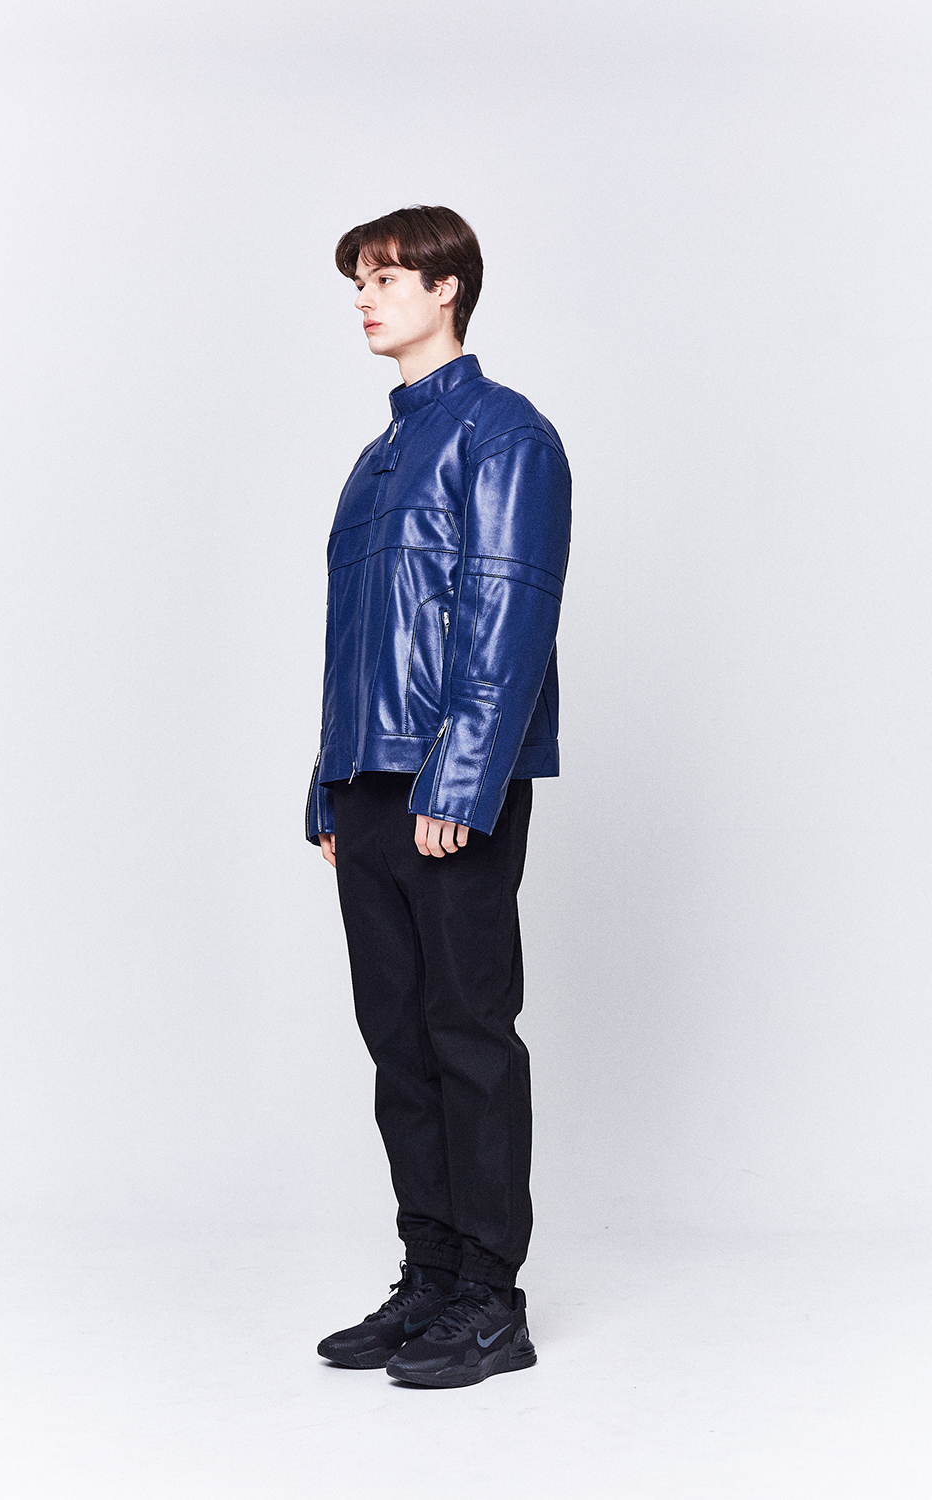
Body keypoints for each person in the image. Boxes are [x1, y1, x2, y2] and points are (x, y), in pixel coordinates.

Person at [306, 205, 571, 1388]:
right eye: (358, 282)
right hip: (368, 784)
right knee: (397, 1041)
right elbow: (353, 638)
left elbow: (511, 612)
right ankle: (430, 1275)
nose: (365, 298)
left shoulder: (504, 433)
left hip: (450, 785)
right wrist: (328, 786)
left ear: (446, 287)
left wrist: (459, 777)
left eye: (384, 277)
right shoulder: (378, 459)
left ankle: (489, 1302)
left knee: (466, 1032)